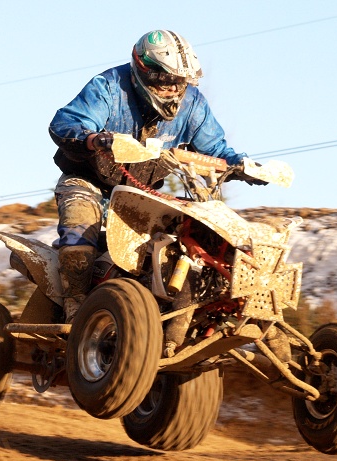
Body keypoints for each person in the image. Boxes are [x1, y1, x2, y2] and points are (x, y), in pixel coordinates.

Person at [48, 29, 265, 322]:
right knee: (80, 232)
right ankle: (75, 310)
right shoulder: (109, 87)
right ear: (144, 71)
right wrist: (94, 139)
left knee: (182, 241)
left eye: (180, 81)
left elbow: (215, 148)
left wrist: (244, 165)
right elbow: (68, 121)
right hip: (88, 180)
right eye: (166, 80)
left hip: (141, 194)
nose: (173, 89)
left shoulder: (193, 104)